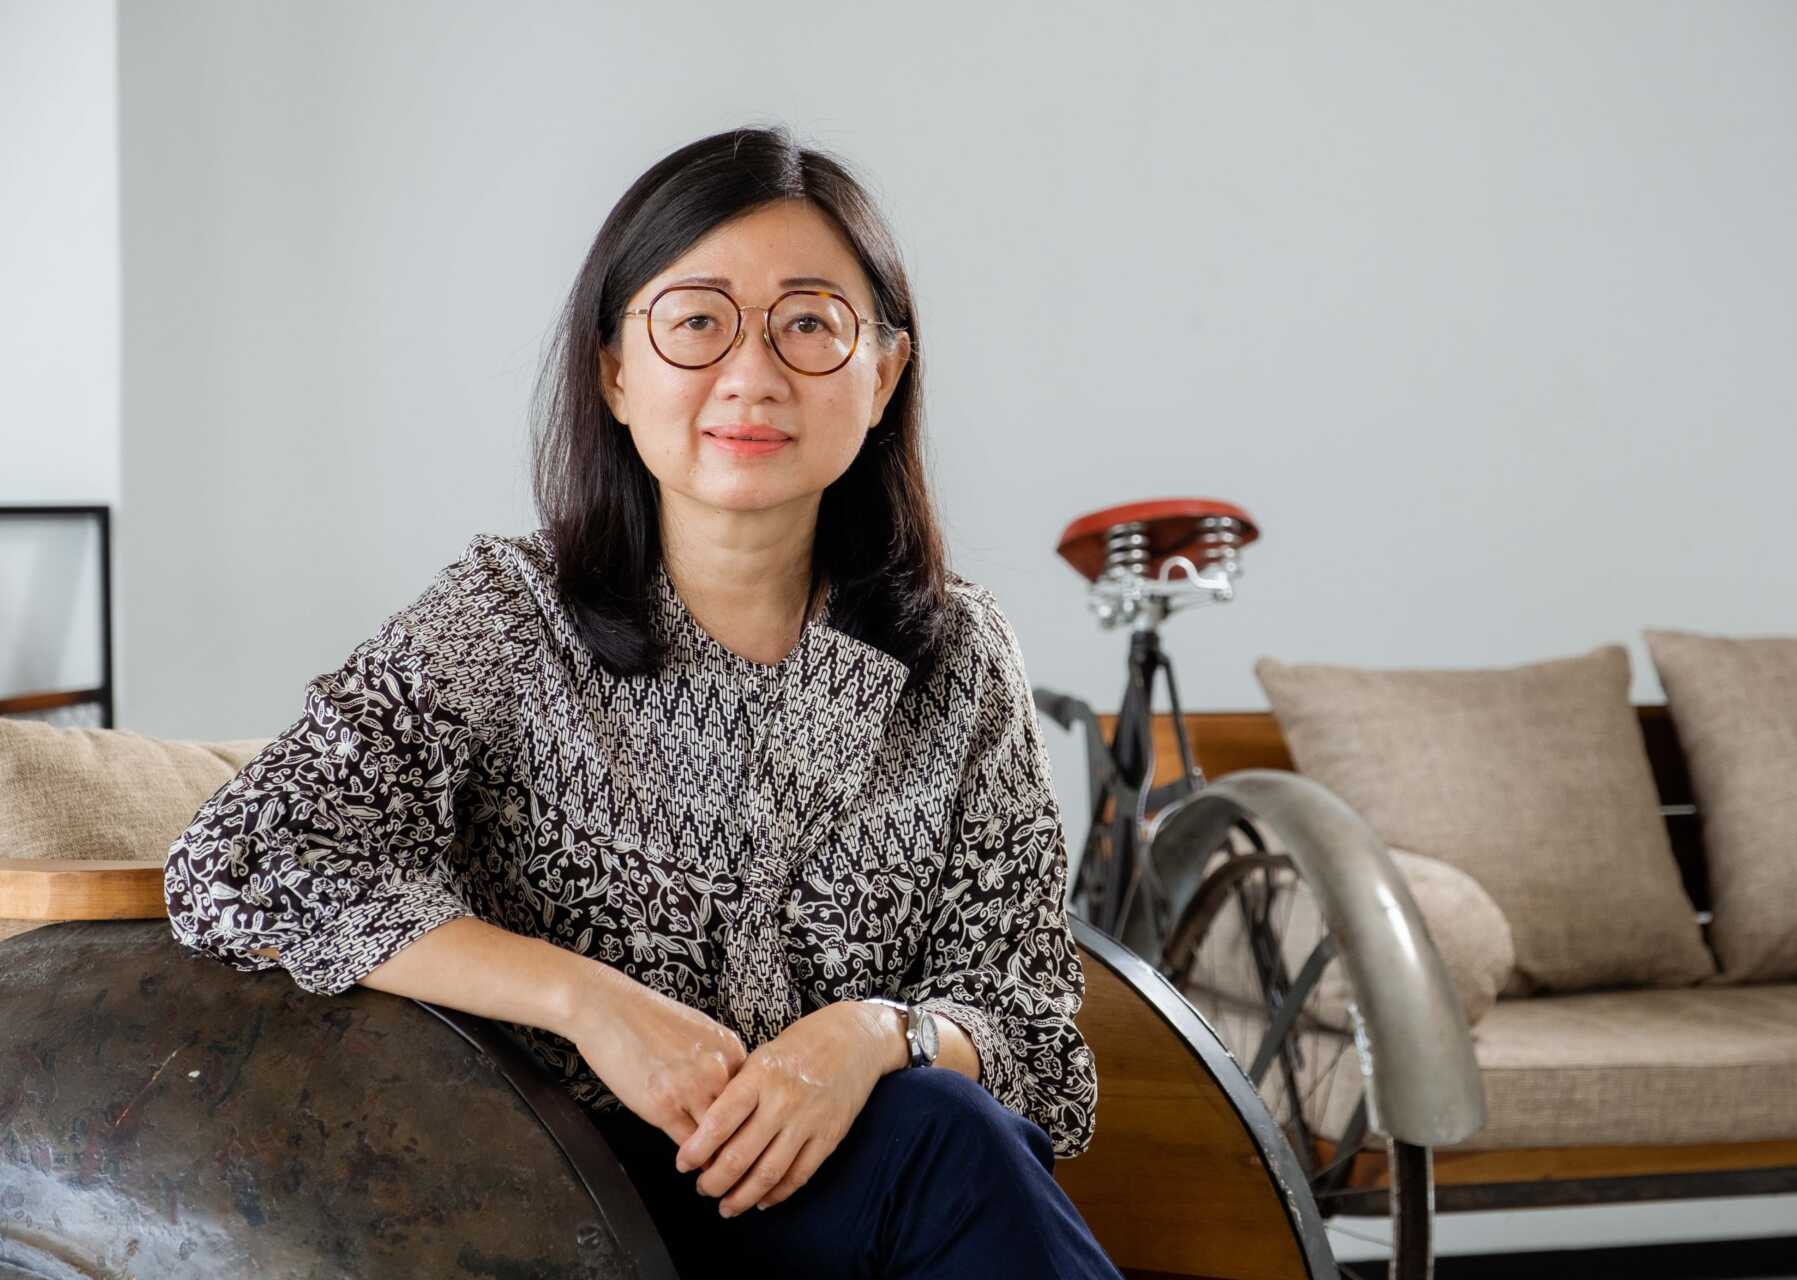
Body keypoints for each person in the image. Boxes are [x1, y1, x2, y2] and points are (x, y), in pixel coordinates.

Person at [163, 124, 1122, 1279]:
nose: (752, 374)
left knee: (948, 1132)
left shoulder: (954, 654)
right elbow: (243, 860)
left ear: (882, 374)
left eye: (809, 322)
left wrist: (878, 1033)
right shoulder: (511, 618)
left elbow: (1039, 1044)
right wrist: (587, 999)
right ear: (616, 370)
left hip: (842, 1207)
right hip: (545, 1206)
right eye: (697, 320)